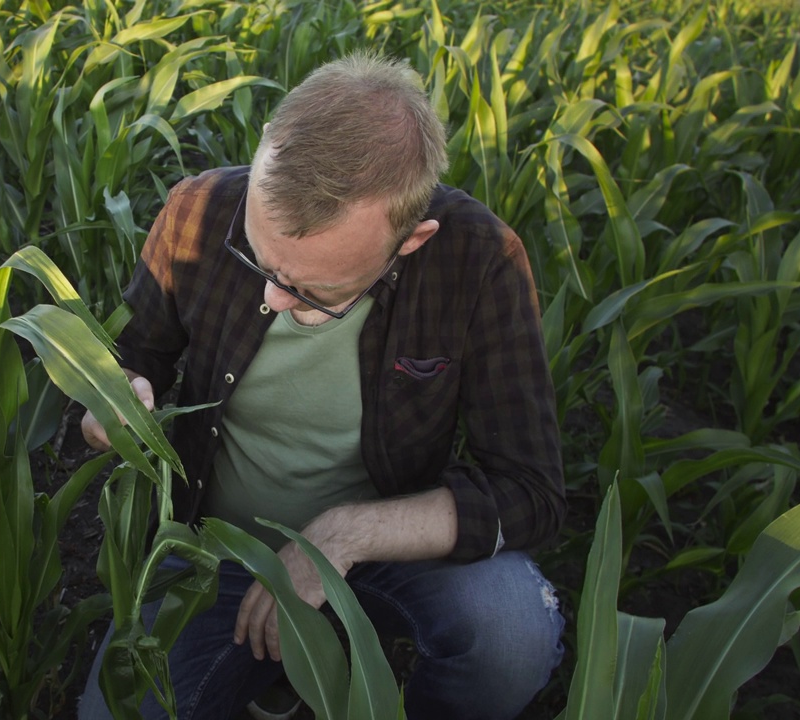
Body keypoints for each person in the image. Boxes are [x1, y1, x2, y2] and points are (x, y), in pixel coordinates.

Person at [78, 52, 566, 720]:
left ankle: (341, 657)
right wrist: (119, 393)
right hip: (216, 551)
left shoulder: (476, 262)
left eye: (313, 292)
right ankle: (274, 667)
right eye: (259, 261)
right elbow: (135, 354)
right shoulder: (197, 212)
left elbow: (529, 491)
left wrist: (341, 537)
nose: (274, 300)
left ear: (410, 241)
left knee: (511, 632)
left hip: (381, 554)